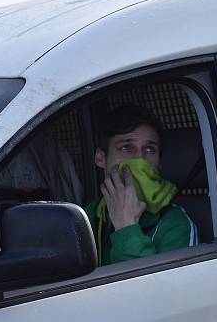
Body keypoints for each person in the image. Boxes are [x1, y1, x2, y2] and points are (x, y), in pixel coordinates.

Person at [84, 104, 197, 265]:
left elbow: (153, 289)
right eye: (126, 147)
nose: (140, 159)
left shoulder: (176, 224)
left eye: (150, 150)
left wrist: (126, 227)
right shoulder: (87, 217)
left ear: (159, 164)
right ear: (101, 158)